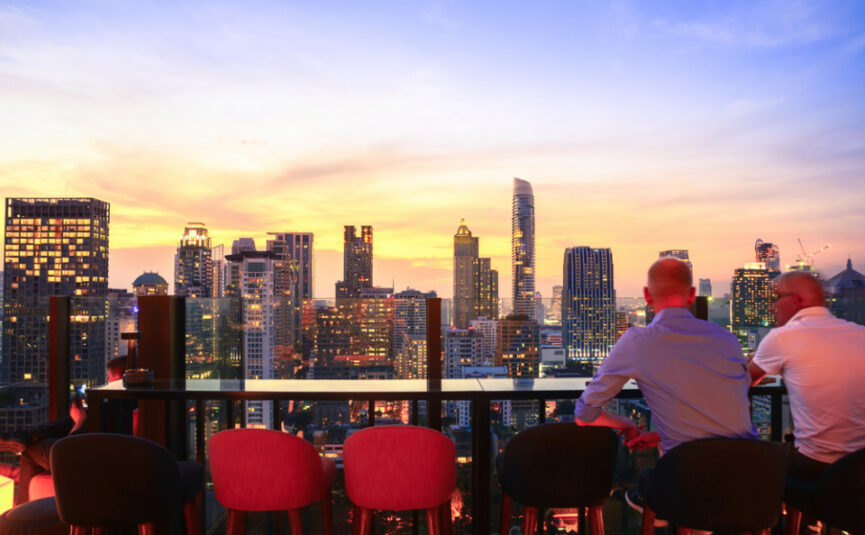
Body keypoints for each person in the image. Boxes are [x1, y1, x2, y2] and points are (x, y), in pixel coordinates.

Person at [574, 258, 757, 521]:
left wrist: (625, 422)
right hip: (753, 477)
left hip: (689, 481)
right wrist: (661, 436)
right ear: (692, 295)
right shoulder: (726, 339)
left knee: (652, 480)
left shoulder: (638, 341)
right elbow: (724, 411)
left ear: (647, 296)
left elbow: (584, 414)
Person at [749, 271, 865, 531]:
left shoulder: (783, 337)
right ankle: (817, 518)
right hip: (860, 466)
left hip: (817, 465)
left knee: (759, 463)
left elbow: (742, 380)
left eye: (777, 298)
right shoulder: (860, 334)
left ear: (798, 300)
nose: (773, 305)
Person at [0, 356, 128, 505]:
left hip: (86, 460)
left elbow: (72, 448)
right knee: (67, 422)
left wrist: (80, 421)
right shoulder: (126, 404)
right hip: (94, 453)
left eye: (109, 379)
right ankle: (21, 437)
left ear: (118, 378)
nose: (108, 383)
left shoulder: (116, 405)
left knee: (31, 449)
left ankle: (22, 512)